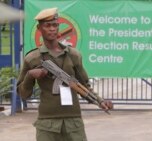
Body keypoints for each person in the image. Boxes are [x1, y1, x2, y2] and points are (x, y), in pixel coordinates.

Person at [17, 7, 113, 141]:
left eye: (55, 25)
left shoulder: (73, 55)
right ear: (39, 28)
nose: (52, 29)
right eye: (47, 25)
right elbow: (23, 94)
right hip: (47, 124)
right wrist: (30, 75)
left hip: (73, 122)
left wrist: (100, 101)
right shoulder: (33, 58)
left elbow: (84, 86)